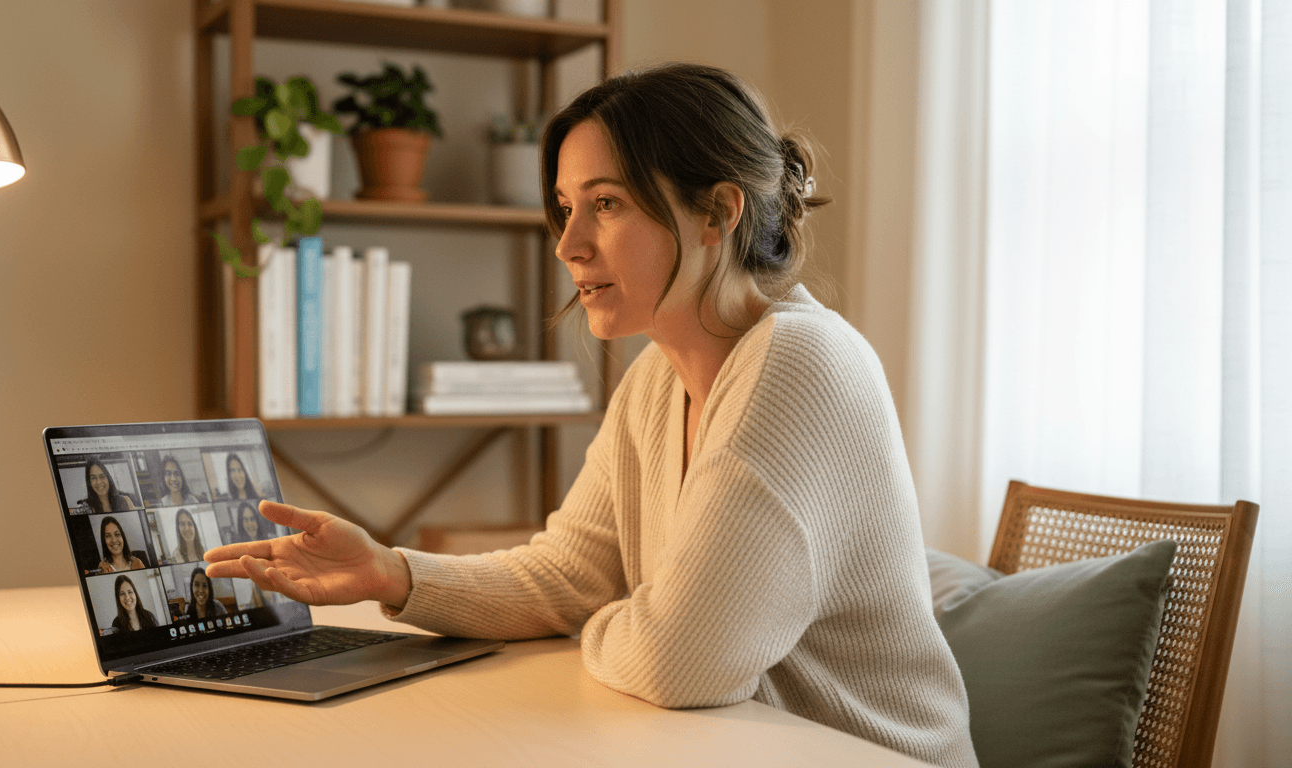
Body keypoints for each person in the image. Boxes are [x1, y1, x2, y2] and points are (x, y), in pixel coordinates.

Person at [207, 63, 978, 767]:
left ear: (717, 214)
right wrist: (392, 570)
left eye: (605, 204)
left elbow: (680, 662)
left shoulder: (799, 365)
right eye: (567, 208)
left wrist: (601, 619)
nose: (568, 245)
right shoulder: (654, 379)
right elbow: (566, 574)